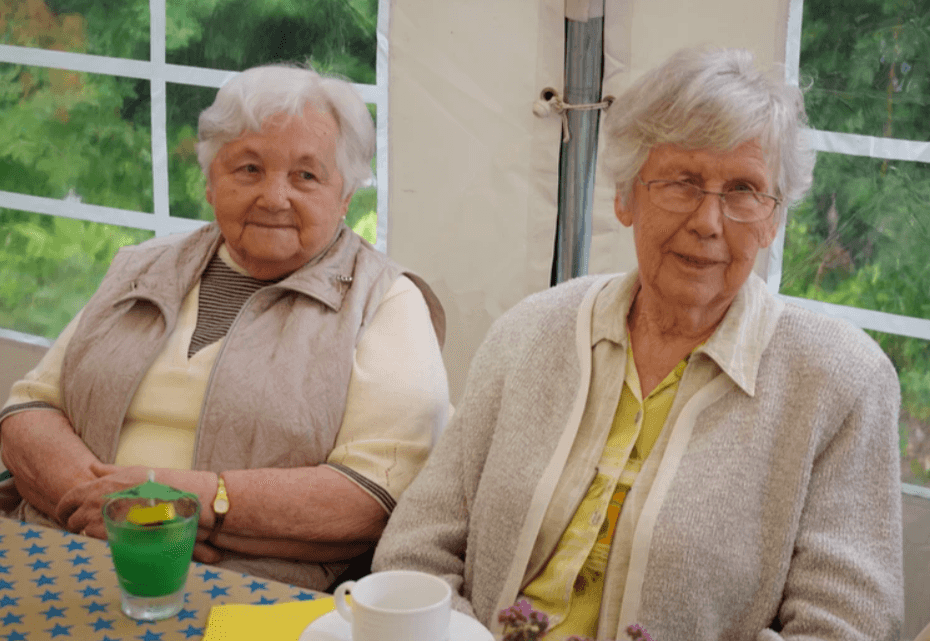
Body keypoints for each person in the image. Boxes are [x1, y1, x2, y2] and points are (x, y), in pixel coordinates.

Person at [372, 47, 902, 640]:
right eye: (683, 182)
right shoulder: (530, 333)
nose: (708, 220)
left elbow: (845, 627)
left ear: (773, 219)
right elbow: (416, 550)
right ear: (626, 197)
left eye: (743, 190)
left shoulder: (841, 380)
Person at [0, 64, 449, 591]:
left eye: (306, 175)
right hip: (69, 544)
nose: (274, 197)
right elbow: (30, 409)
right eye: (249, 169)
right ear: (211, 182)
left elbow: (374, 496)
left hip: (247, 583)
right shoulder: (142, 266)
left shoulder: (388, 302)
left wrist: (193, 505)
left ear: (345, 196)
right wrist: (122, 517)